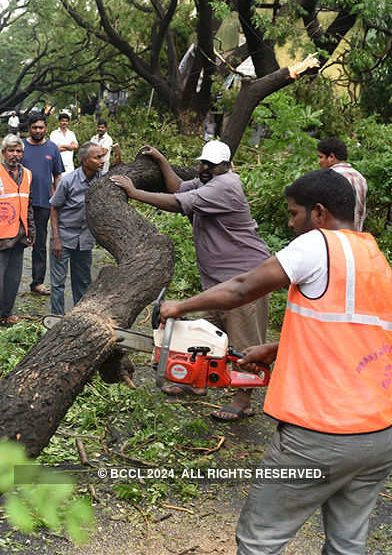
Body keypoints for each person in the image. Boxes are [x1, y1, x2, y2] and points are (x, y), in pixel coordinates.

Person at [158, 169, 392, 555]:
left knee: (260, 540)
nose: (290, 222)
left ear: (318, 214)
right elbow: (356, 334)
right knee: (348, 543)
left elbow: (242, 287)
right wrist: (277, 348)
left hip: (319, 434)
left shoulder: (319, 244)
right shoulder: (376, 260)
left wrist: (180, 306)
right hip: (379, 434)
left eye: (293, 213)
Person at [111, 140, 270, 421]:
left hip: (245, 279)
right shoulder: (207, 183)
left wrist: (134, 193)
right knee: (203, 333)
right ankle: (195, 381)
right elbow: (178, 188)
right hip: (219, 282)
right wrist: (162, 160)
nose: (205, 168)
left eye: (212, 165)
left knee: (244, 341)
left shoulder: (225, 186)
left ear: (225, 165)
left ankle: (243, 400)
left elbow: (175, 203)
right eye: (203, 163)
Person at [0, 134, 35, 330]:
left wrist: (31, 230)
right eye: (11, 150)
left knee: (13, 279)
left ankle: (6, 313)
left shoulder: (28, 175)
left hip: (19, 236)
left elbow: (28, 206)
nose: (15, 154)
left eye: (18, 151)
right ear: (3, 152)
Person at [49, 142, 104, 315]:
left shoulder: (101, 181)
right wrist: (56, 238)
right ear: (85, 161)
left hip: (85, 239)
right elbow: (54, 208)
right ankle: (56, 318)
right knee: (58, 283)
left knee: (83, 282)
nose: (102, 161)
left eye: (102, 156)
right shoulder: (68, 181)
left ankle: (79, 317)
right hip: (64, 237)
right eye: (97, 157)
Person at [21, 113, 64, 296]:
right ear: (29, 128)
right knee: (16, 241)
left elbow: (58, 176)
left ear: (46, 128)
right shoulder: (20, 147)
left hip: (43, 203)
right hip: (21, 203)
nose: (37, 130)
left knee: (39, 244)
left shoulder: (52, 148)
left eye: (41, 127)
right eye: (34, 127)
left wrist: (59, 199)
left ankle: (37, 282)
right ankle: (10, 280)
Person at [317, 137, 367, 231]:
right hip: (356, 240)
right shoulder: (360, 178)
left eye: (321, 157)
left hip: (335, 240)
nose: (319, 162)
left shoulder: (328, 177)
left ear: (331, 157)